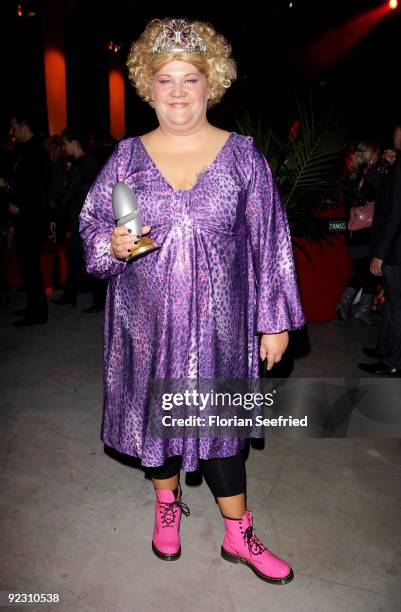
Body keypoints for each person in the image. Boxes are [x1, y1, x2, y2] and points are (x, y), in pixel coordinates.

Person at [79, 18, 305, 584]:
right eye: (164, 80)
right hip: (145, 320)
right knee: (157, 421)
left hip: (222, 326)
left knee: (222, 427)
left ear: (212, 83)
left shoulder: (243, 157)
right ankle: (166, 505)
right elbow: (90, 225)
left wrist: (274, 321)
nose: (177, 91)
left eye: (190, 78)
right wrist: (110, 243)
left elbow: (271, 240)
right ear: (147, 87)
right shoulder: (127, 157)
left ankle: (239, 533)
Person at [359, 122, 401, 375]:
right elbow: (373, 189)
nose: (394, 134)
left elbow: (395, 213)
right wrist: (381, 165)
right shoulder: (395, 164)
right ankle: (385, 350)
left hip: (395, 252)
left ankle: (393, 361)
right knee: (390, 306)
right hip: (393, 249)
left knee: (395, 308)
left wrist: (380, 254)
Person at [8, 113, 51, 326]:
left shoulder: (35, 152)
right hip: (29, 218)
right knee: (27, 266)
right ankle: (34, 306)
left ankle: (38, 311)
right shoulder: (30, 150)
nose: (11, 132)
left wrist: (19, 205)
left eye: (14, 127)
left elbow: (35, 189)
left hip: (31, 219)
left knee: (30, 266)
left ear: (24, 126)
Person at [53, 128, 101, 310]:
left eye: (65, 143)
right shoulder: (88, 162)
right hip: (84, 218)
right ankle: (71, 294)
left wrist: (56, 215)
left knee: (85, 258)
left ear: (74, 142)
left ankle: (97, 300)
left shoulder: (82, 165)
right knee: (75, 257)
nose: (64, 148)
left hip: (83, 219)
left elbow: (70, 193)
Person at [336, 142, 380, 324]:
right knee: (367, 272)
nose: (378, 156)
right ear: (370, 155)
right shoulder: (371, 176)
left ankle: (350, 307)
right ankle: (358, 309)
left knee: (362, 272)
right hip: (367, 232)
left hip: (354, 233)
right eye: (376, 152)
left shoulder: (351, 176)